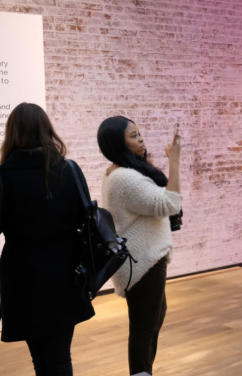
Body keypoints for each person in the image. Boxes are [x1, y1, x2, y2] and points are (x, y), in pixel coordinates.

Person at [0, 103, 94, 375]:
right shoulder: (69, 171)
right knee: (59, 356)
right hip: (65, 275)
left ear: (12, 133)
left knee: (41, 357)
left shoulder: (4, 177)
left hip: (22, 278)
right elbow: (83, 218)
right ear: (47, 130)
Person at [97, 116, 181, 376]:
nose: (141, 138)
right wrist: (174, 161)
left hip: (143, 261)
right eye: (133, 135)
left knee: (151, 322)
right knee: (144, 330)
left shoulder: (122, 172)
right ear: (117, 143)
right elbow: (170, 203)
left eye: (139, 133)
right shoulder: (124, 178)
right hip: (142, 263)